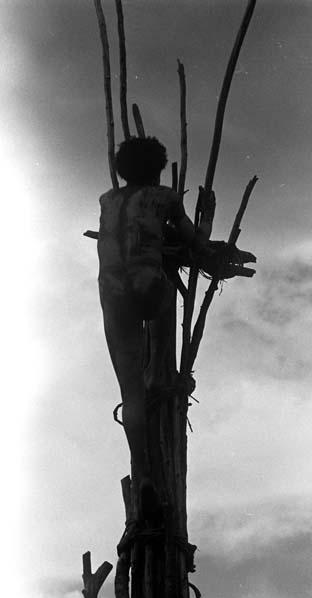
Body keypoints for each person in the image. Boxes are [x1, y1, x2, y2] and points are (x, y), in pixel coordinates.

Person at [97, 136, 215, 490]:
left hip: (112, 294)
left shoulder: (107, 201)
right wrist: (206, 223)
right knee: (162, 297)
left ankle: (143, 471)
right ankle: (159, 372)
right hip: (150, 287)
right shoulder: (165, 198)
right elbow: (196, 242)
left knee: (130, 394)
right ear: (157, 169)